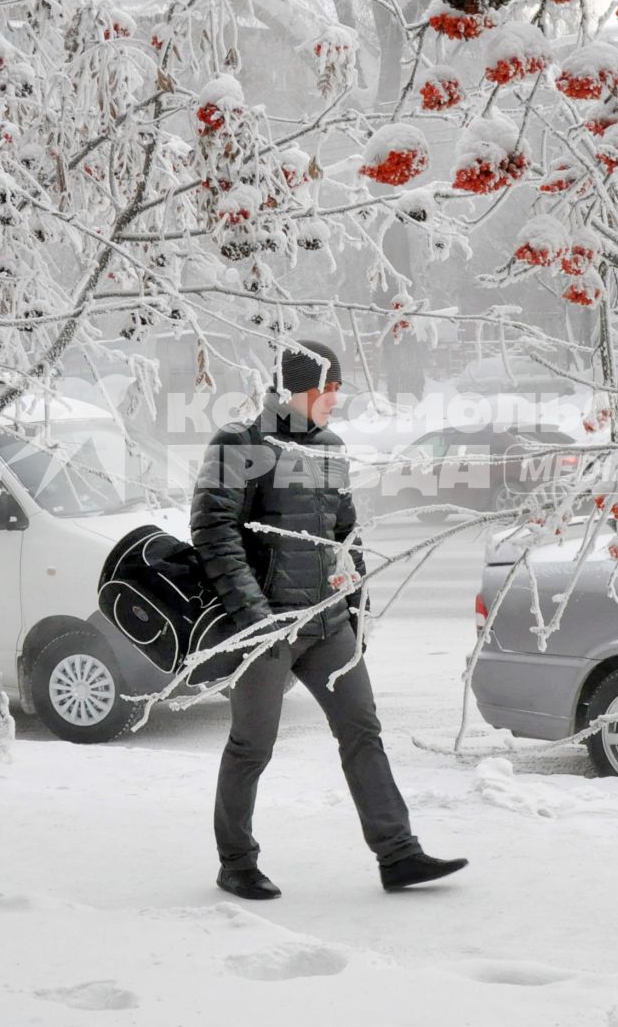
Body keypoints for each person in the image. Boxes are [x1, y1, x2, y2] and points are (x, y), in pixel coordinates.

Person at [192, 338, 467, 900]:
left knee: (362, 729)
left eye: (339, 388)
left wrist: (357, 604)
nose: (335, 399)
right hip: (266, 627)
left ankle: (398, 854)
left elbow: (346, 532)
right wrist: (255, 615)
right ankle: (236, 862)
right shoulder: (237, 444)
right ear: (293, 389)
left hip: (326, 621)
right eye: (327, 388)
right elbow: (212, 533)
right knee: (252, 745)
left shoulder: (331, 447)